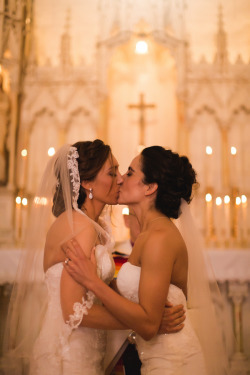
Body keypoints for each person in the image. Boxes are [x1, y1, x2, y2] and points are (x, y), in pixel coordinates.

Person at [1, 140, 185, 375]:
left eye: (120, 170)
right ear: (86, 182)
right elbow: (75, 312)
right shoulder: (80, 227)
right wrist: (148, 323)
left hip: (86, 349)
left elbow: (95, 293)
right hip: (68, 355)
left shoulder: (93, 225)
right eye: (112, 172)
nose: (120, 178)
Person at [64, 146, 229, 375]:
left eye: (130, 173)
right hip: (156, 359)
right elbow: (135, 301)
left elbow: (150, 325)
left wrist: (92, 282)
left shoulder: (159, 238)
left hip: (174, 362)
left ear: (150, 188)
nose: (120, 179)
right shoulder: (149, 233)